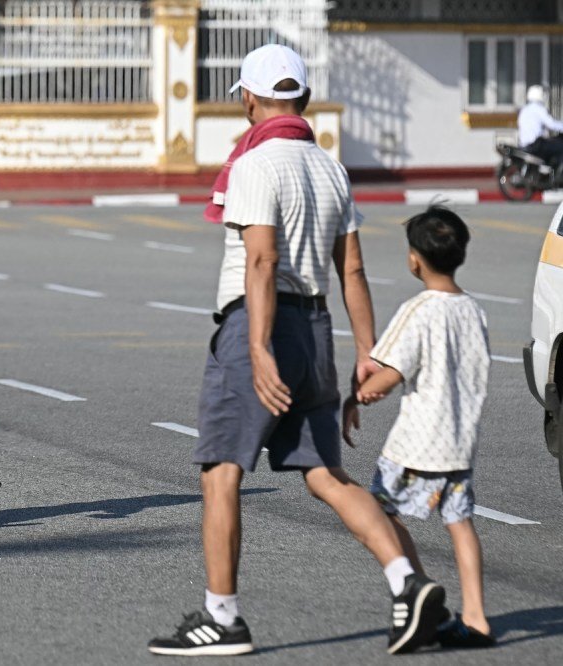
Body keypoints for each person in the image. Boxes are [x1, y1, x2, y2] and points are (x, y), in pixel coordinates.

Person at [148, 44, 446, 657]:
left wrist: (256, 347)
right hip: (317, 330)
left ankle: (222, 617)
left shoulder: (256, 165)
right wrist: (368, 355)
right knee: (325, 475)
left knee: (222, 469)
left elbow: (261, 260)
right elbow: (354, 271)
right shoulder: (330, 167)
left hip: (257, 326)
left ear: (250, 99)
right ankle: (406, 580)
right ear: (303, 100)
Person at [350, 206, 495, 649]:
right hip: (458, 442)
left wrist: (358, 396)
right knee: (461, 523)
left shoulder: (417, 310)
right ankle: (476, 618)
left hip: (415, 445)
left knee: (380, 513)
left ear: (414, 259)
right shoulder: (474, 311)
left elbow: (389, 374)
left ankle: (419, 591)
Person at [517, 84, 563, 167]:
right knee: (560, 146)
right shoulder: (539, 108)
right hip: (536, 145)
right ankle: (554, 171)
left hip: (523, 144)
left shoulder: (524, 109)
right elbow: (551, 124)